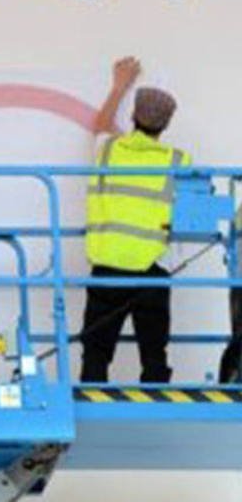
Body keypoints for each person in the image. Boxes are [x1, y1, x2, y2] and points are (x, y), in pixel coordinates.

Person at [81, 56, 191, 383]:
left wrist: (119, 86)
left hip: (108, 266)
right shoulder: (178, 161)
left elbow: (101, 124)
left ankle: (92, 402)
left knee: (96, 351)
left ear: (133, 117)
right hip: (152, 269)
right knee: (154, 353)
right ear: (166, 126)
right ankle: (156, 402)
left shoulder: (109, 150)